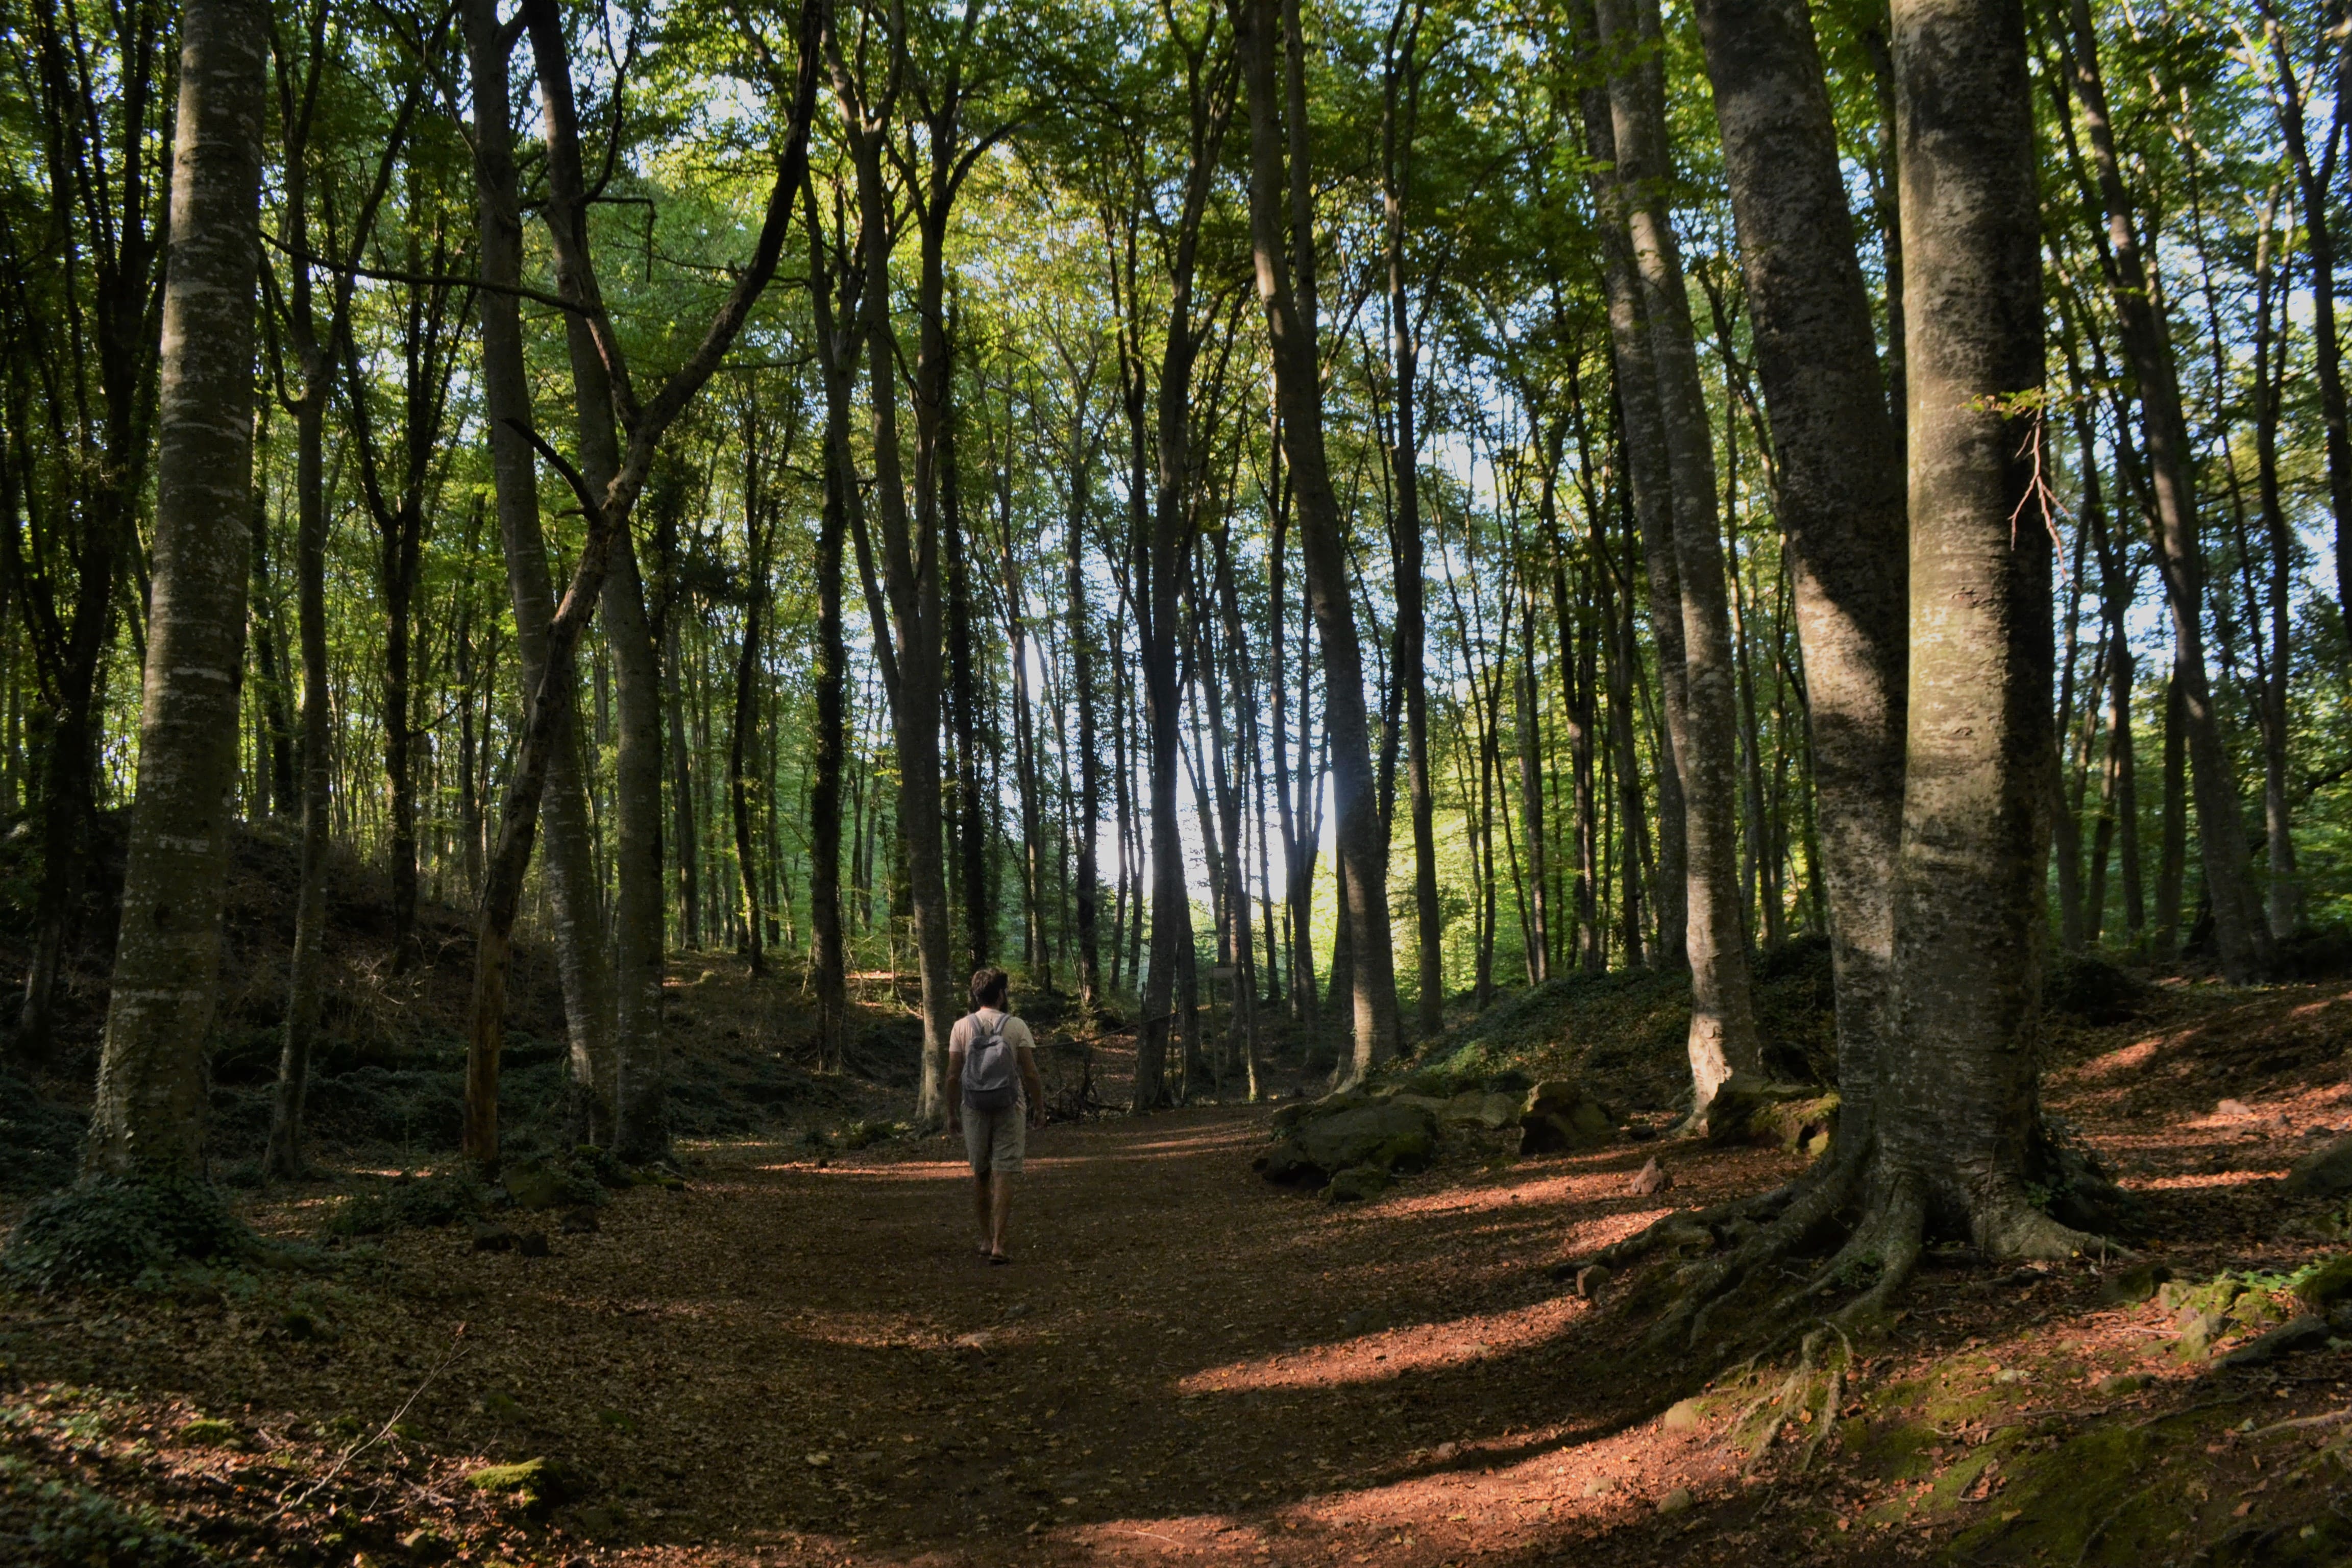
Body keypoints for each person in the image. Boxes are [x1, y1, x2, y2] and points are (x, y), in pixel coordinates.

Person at [946, 968, 1046, 1264]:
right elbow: (1030, 1073)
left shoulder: (961, 1027)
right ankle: (1000, 1243)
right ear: (1001, 995)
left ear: (975, 996)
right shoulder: (1016, 1026)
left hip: (973, 1107)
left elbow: (953, 1075)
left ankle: (985, 1239)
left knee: (981, 1173)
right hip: (1010, 1106)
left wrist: (950, 1113)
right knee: (1004, 1173)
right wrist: (1040, 1108)